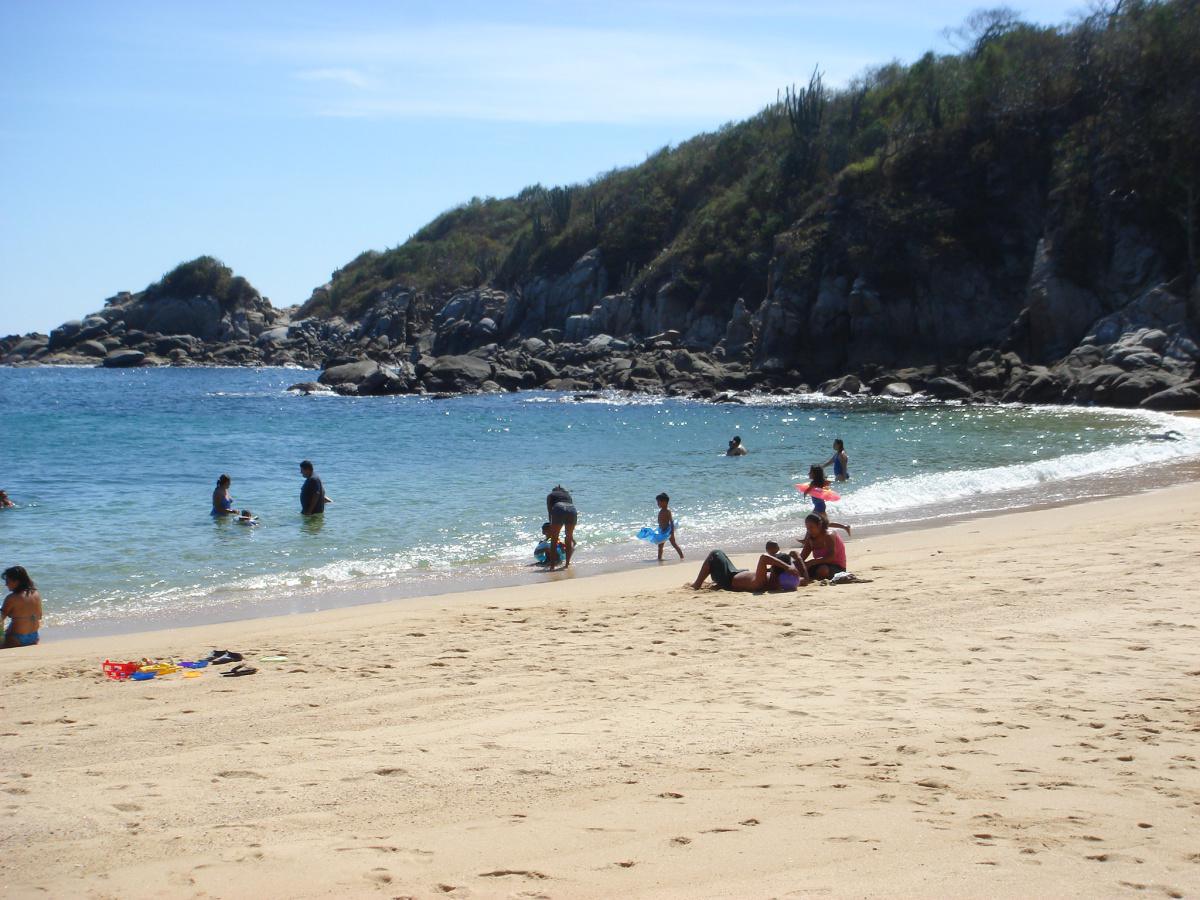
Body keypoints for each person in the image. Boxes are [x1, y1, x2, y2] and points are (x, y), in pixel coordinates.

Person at [686, 541, 801, 593]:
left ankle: (697, 584)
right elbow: (804, 579)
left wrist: (787, 566)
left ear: (775, 569)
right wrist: (797, 560)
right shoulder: (780, 582)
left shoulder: (762, 581)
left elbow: (763, 557)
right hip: (737, 573)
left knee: (715, 554)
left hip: (727, 579)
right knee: (723, 558)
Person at [796, 513, 847, 582]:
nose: (809, 530)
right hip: (819, 565)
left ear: (819, 525)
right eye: (807, 528)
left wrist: (813, 562)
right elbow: (802, 557)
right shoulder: (810, 538)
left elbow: (831, 557)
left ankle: (810, 578)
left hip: (837, 567)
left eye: (811, 527)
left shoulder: (829, 535)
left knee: (823, 569)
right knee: (798, 566)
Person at [800, 465, 850, 536]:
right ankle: (845, 527)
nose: (808, 473)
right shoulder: (821, 482)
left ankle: (806, 539)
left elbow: (807, 491)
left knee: (811, 520)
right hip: (821, 505)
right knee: (826, 523)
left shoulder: (813, 483)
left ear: (814, 474)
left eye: (810, 472)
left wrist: (804, 494)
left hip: (819, 506)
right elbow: (828, 483)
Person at [2, 566, 42, 648]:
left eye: (7, 581)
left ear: (16, 581)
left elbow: (0, 619)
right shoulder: (36, 594)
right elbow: (40, 616)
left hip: (16, 639)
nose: (6, 584)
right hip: (34, 637)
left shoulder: (12, 598)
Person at [544, 485, 577, 570]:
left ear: (554, 490)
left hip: (558, 508)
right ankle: (567, 565)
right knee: (568, 538)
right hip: (572, 509)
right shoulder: (568, 496)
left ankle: (552, 567)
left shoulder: (551, 495)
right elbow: (570, 506)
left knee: (554, 538)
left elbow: (550, 512)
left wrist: (551, 526)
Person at [647, 493, 684, 561]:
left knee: (674, 544)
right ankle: (659, 558)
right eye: (657, 502)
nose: (658, 504)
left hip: (668, 531)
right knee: (660, 546)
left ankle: (682, 557)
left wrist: (672, 532)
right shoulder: (660, 511)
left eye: (659, 502)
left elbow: (671, 522)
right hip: (662, 532)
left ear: (664, 502)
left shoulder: (667, 511)